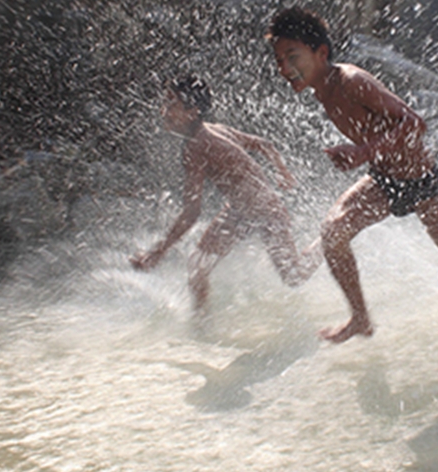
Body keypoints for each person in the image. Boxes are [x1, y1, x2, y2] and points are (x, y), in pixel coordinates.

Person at [267, 7, 438, 344]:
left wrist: (361, 152)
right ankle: (360, 319)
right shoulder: (321, 90)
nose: (284, 68)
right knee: (333, 232)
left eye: (292, 56)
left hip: (423, 183)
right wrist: (363, 155)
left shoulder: (351, 81)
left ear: (320, 52)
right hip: (384, 182)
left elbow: (415, 123)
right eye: (279, 60)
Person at [130, 75, 321, 308]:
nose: (164, 110)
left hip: (266, 211)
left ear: (192, 112)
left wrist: (159, 252)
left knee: (294, 275)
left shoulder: (196, 147)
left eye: (172, 104)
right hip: (238, 211)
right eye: (165, 102)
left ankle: (330, 238)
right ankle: (201, 328)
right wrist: (282, 171)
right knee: (198, 266)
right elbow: (263, 144)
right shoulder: (212, 130)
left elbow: (192, 212)